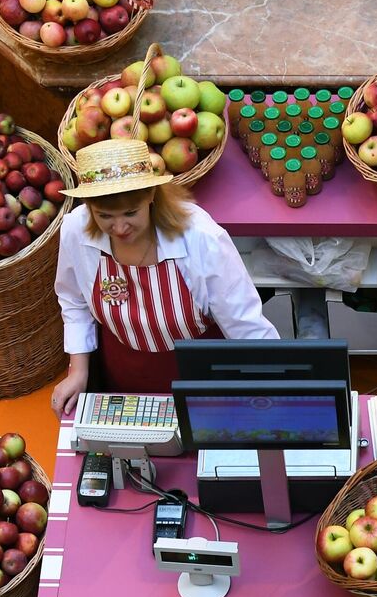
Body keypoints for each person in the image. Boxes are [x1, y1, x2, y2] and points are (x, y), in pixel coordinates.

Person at [51, 138, 278, 416]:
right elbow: (74, 301)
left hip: (202, 377)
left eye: (131, 213)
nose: (120, 227)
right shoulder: (76, 230)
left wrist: (272, 390)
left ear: (151, 195)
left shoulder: (201, 239)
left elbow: (245, 325)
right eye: (105, 216)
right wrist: (78, 370)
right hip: (124, 374)